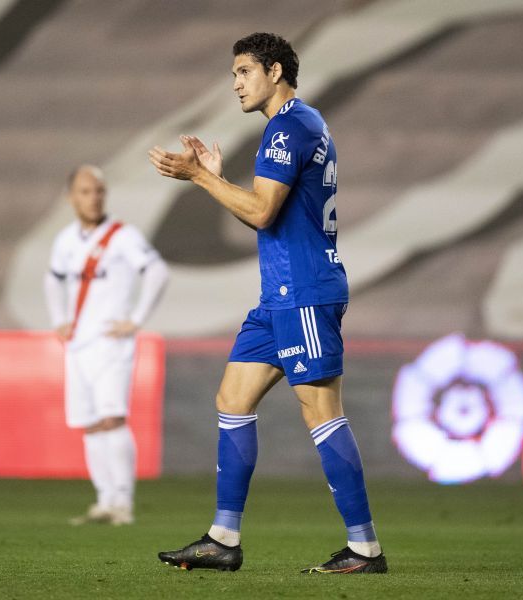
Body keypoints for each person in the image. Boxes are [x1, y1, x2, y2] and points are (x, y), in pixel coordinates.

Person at [148, 32, 387, 574]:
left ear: (274, 71)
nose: (235, 83)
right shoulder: (303, 124)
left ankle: (365, 548)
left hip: (303, 293)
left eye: (243, 71)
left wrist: (200, 177)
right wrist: (214, 177)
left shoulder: (288, 127)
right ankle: (223, 538)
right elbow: (268, 208)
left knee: (322, 412)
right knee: (233, 398)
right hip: (279, 297)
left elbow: (260, 213)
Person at [44, 164, 169, 526]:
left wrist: (136, 319)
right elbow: (53, 280)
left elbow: (157, 271)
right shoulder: (66, 240)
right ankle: (103, 499)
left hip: (112, 342)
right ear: (71, 197)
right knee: (91, 423)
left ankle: (123, 503)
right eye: (85, 191)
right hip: (79, 343)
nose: (93, 198)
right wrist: (59, 319)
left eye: (98, 191)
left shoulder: (122, 236)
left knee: (112, 417)